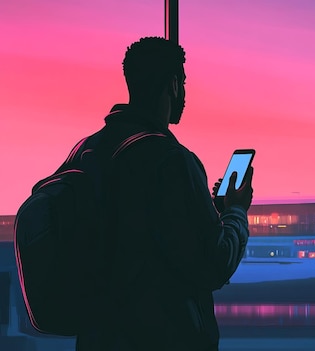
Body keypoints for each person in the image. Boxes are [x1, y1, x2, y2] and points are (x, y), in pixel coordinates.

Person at [76, 37, 253, 351]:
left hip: (98, 337)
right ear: (173, 84)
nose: (184, 93)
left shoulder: (87, 150)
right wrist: (234, 212)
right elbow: (212, 266)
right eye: (182, 82)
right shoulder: (171, 160)